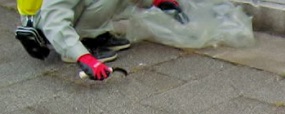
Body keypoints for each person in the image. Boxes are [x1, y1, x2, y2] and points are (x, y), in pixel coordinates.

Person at [14, 0, 184, 80]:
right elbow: (54, 23)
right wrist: (82, 56)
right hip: (44, 22)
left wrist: (155, 1)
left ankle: (96, 34)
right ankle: (82, 43)